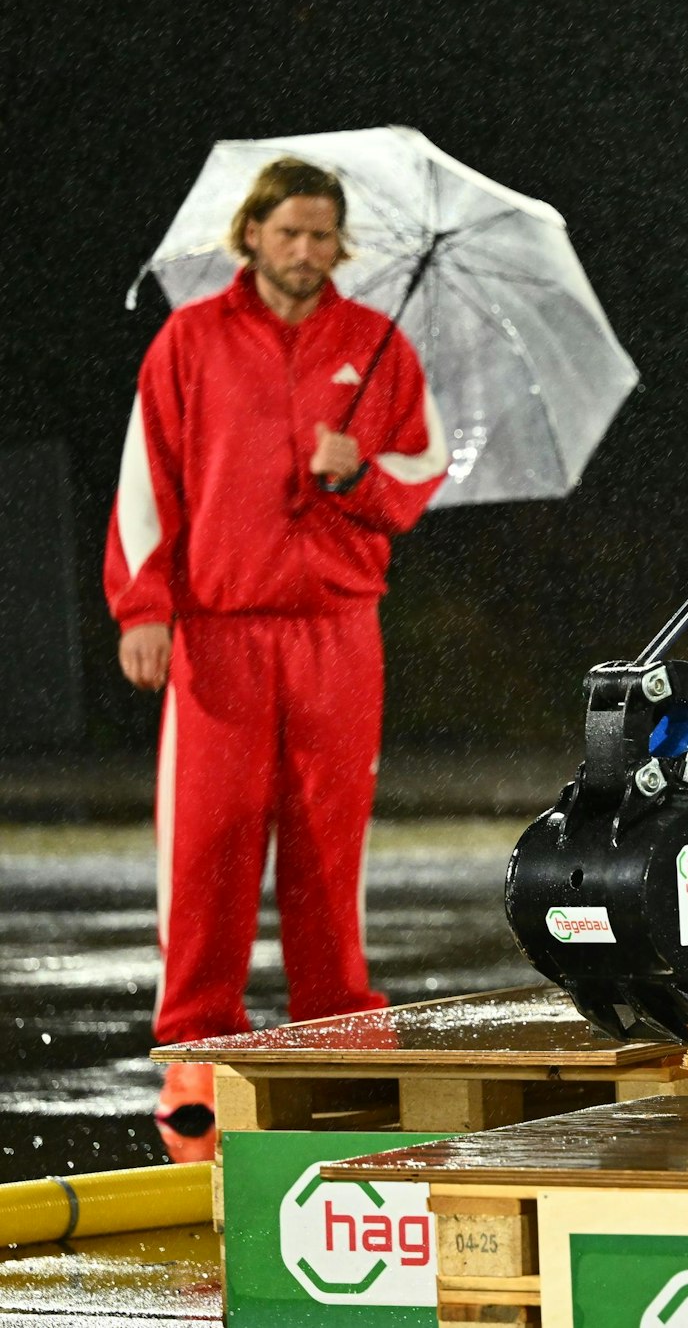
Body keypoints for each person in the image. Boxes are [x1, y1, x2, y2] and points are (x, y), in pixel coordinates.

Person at [106, 158, 448, 1159]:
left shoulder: (376, 345)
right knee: (207, 845)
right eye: (288, 231)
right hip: (218, 630)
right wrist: (144, 608)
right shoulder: (189, 340)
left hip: (337, 628)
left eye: (321, 234)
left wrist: (358, 472)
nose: (305, 250)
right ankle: (195, 1050)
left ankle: (336, 1034)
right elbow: (146, 486)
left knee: (326, 842)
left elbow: (424, 467)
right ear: (250, 233)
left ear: (341, 245)